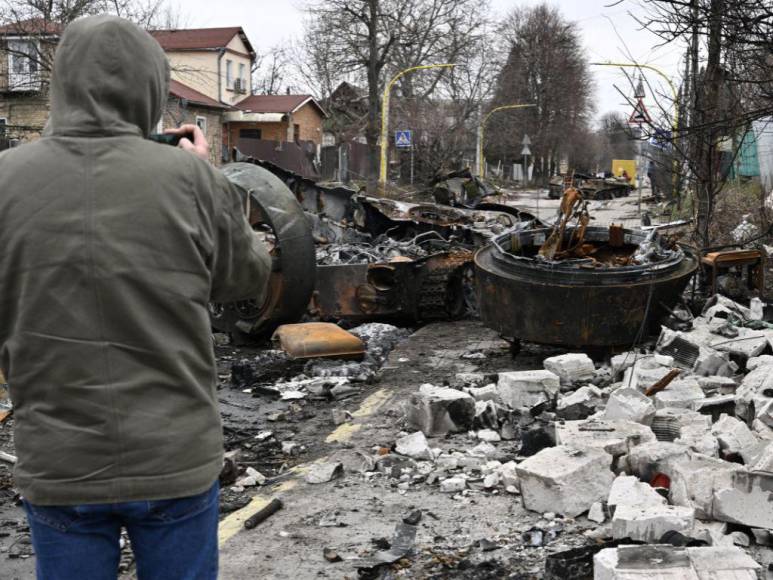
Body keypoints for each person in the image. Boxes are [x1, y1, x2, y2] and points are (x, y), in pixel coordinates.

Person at [0, 15, 271, 580]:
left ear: (62, 85)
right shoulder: (193, 180)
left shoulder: (5, 179)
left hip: (59, 459)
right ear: (150, 89)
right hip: (174, 455)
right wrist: (210, 183)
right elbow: (245, 280)